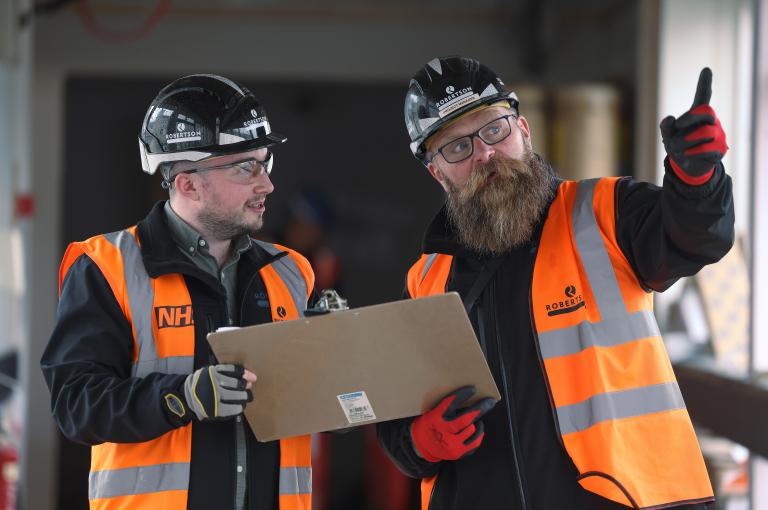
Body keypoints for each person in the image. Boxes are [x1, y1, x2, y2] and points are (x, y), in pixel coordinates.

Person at [377, 56, 733, 509]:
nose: (484, 153)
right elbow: (395, 427)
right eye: (456, 148)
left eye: (494, 129)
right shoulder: (425, 280)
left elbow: (696, 236)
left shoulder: (606, 215)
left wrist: (696, 180)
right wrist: (418, 443)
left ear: (523, 130)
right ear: (437, 173)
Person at [41, 75, 315, 510]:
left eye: (267, 162)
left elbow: (314, 402)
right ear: (187, 183)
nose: (266, 185)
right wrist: (180, 398)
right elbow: (76, 407)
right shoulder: (106, 267)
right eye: (246, 167)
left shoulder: (291, 272)